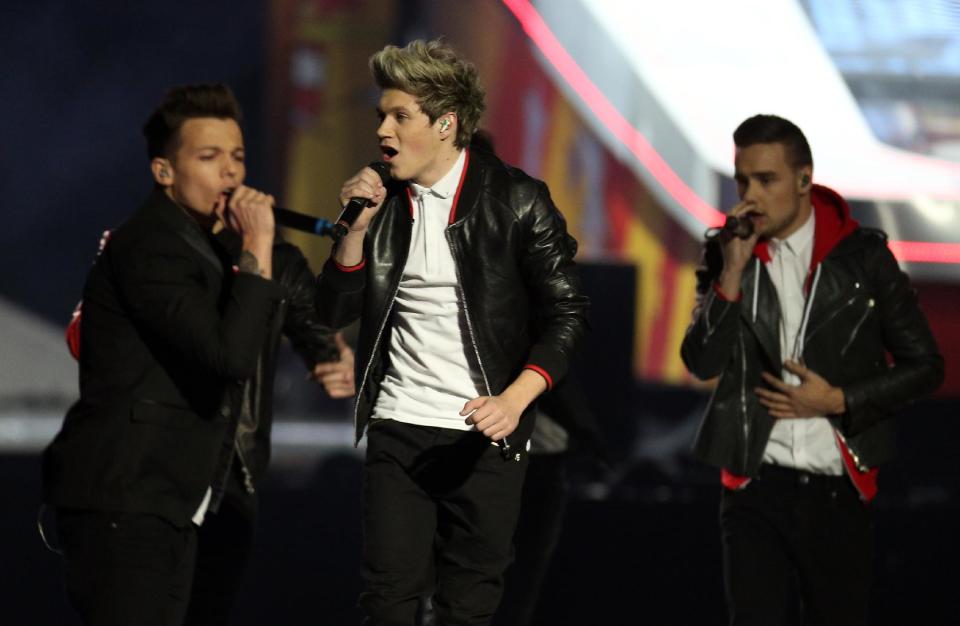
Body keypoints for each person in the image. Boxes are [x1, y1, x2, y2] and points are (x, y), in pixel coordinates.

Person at [317, 39, 589, 626]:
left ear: (447, 124)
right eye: (381, 116)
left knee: (468, 604)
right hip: (399, 424)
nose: (383, 130)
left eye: (400, 116)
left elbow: (568, 315)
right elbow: (330, 308)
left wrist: (515, 400)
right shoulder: (381, 201)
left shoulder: (517, 201)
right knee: (388, 599)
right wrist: (355, 232)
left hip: (486, 433)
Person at [680, 114, 944, 625]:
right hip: (754, 483)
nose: (750, 196)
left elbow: (926, 366)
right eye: (742, 181)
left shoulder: (864, 258)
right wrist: (731, 271)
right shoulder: (728, 250)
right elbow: (701, 361)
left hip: (836, 488)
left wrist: (840, 400)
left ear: (805, 180)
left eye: (767, 180)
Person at [44, 82, 291, 626]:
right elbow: (227, 357)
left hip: (168, 502)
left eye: (238, 157)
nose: (230, 172)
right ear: (164, 172)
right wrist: (258, 247)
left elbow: (304, 308)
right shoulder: (153, 245)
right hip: (127, 502)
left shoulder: (201, 245)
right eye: (208, 157)